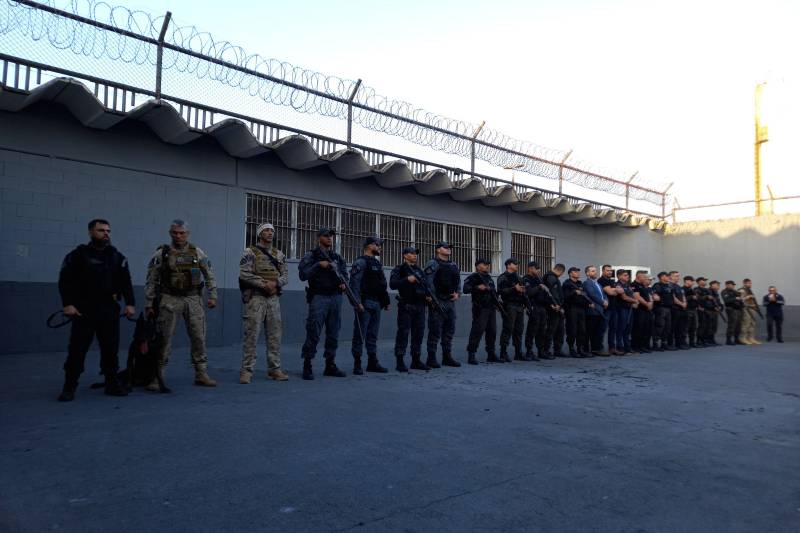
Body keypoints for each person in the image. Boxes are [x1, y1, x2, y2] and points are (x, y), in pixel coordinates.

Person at [57, 219, 135, 401]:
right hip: (84, 309)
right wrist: (68, 304)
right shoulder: (77, 255)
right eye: (101, 230)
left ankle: (111, 384)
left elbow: (126, 282)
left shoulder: (116, 256)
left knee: (110, 349)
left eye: (108, 231)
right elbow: (65, 281)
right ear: (91, 232)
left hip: (109, 309)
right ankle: (69, 387)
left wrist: (130, 303)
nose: (106, 233)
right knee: (77, 349)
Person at [144, 219, 217, 389]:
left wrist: (213, 295)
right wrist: (149, 303)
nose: (178, 236)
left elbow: (209, 274)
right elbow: (152, 279)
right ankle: (157, 376)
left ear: (187, 234)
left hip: (193, 299)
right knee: (164, 338)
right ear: (170, 233)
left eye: (182, 233)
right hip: (169, 298)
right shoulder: (162, 254)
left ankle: (201, 373)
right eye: (175, 233)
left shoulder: (197, 252)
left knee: (199, 337)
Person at [238, 222, 289, 384]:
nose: (270, 233)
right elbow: (244, 274)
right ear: (260, 234)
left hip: (273, 299)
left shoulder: (279, 254)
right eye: (266, 230)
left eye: (272, 230)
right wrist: (263, 284)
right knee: (251, 334)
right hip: (256, 298)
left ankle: (274, 369)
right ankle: (247, 370)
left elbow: (285, 276)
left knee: (275, 335)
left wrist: (276, 283)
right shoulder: (249, 252)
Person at [298, 228, 349, 380]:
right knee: (313, 330)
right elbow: (303, 275)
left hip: (335, 297)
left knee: (333, 332)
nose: (329, 238)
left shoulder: (337, 257)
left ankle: (330, 364)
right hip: (319, 297)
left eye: (331, 236)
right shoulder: (311, 255)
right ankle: (307, 364)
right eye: (326, 236)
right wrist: (318, 265)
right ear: (318, 237)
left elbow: (345, 275)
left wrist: (344, 284)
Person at [349, 237, 390, 375]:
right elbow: (354, 283)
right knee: (360, 334)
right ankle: (357, 363)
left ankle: (372, 362)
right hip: (365, 303)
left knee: (373, 335)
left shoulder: (377, 263)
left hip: (377, 303)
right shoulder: (361, 262)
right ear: (369, 246)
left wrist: (386, 301)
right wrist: (357, 302)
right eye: (377, 245)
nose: (380, 247)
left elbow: (382, 284)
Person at [390, 247, 429, 372]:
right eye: (412, 253)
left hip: (420, 306)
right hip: (406, 305)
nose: (415, 255)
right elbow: (392, 284)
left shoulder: (419, 270)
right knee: (403, 333)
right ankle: (400, 361)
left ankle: (416, 360)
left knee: (418, 334)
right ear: (405, 255)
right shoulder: (399, 269)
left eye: (416, 253)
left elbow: (426, 285)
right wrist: (407, 279)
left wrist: (428, 296)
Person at [424, 241, 462, 368]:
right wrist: (433, 299)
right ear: (438, 250)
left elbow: (458, 280)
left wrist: (458, 294)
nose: (448, 249)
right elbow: (428, 282)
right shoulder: (433, 263)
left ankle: (447, 357)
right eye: (445, 247)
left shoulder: (453, 264)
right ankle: (431, 358)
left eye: (449, 247)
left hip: (450, 302)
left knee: (449, 330)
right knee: (435, 331)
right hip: (438, 301)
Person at [463, 258, 499, 365]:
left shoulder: (489, 278)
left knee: (492, 332)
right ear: (478, 266)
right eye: (484, 264)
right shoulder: (473, 277)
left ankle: (491, 354)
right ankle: (471, 354)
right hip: (480, 308)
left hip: (491, 308)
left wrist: (497, 303)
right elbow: (466, 289)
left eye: (488, 264)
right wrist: (477, 287)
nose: (487, 266)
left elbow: (493, 292)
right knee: (477, 331)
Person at [497, 258, 527, 362]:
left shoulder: (518, 277)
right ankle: (503, 353)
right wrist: (514, 288)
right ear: (508, 265)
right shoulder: (503, 277)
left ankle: (518, 353)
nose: (517, 265)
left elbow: (523, 291)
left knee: (519, 330)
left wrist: (526, 303)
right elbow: (501, 291)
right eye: (515, 264)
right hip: (509, 305)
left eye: (517, 263)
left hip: (519, 306)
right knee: (508, 329)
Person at [522, 261, 549, 360]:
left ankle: (541, 351)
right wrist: (539, 287)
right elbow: (528, 292)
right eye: (536, 268)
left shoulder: (539, 279)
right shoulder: (526, 279)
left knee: (542, 330)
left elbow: (545, 293)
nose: (538, 270)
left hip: (542, 307)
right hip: (533, 307)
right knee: (532, 330)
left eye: (539, 268)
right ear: (530, 268)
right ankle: (529, 351)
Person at [562, 267, 590, 357]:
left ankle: (580, 349)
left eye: (578, 271)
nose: (578, 273)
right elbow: (565, 297)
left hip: (581, 309)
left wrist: (588, 303)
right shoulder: (567, 284)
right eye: (575, 271)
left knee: (582, 330)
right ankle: (571, 349)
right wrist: (574, 292)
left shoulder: (580, 283)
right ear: (570, 273)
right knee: (572, 329)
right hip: (571, 309)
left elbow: (584, 296)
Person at [583, 265, 609, 356]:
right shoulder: (587, 283)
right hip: (592, 311)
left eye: (595, 270)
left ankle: (596, 349)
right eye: (593, 271)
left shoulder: (598, 284)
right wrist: (602, 302)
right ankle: (586, 350)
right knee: (589, 331)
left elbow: (604, 294)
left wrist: (606, 301)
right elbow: (592, 294)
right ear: (587, 273)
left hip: (600, 310)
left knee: (598, 331)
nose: (595, 272)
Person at [612, 269, 637, 355]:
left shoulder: (627, 285)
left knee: (628, 329)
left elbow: (632, 295)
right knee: (621, 328)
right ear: (619, 276)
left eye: (627, 275)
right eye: (625, 275)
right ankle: (620, 347)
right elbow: (624, 297)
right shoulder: (617, 285)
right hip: (622, 309)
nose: (628, 276)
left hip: (629, 308)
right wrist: (635, 301)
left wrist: (634, 301)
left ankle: (627, 347)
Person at [543, 264, 566, 357]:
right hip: (554, 308)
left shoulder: (552, 277)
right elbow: (552, 293)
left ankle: (557, 350)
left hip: (557, 307)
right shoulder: (551, 278)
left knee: (560, 330)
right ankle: (546, 350)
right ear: (561, 271)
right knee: (551, 329)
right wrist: (556, 305)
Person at [651, 271, 675, 351]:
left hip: (669, 308)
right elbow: (654, 295)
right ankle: (655, 344)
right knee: (659, 326)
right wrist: (656, 297)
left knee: (667, 327)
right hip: (661, 308)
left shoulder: (669, 286)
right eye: (667, 276)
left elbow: (672, 296)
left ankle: (664, 343)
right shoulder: (657, 285)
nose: (668, 277)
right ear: (662, 277)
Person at [631, 272, 654, 353]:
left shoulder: (643, 286)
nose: (645, 278)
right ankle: (636, 346)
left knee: (646, 328)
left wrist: (650, 303)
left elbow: (649, 296)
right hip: (639, 309)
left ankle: (644, 345)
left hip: (647, 310)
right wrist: (647, 304)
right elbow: (637, 296)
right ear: (638, 276)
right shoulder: (634, 284)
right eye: (643, 277)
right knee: (638, 328)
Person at [598, 265, 617, 353]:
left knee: (613, 329)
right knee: (602, 329)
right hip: (606, 309)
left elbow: (619, 291)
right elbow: (611, 293)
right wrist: (616, 290)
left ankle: (612, 348)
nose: (610, 272)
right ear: (603, 271)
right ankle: (600, 348)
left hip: (613, 308)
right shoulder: (601, 280)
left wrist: (614, 290)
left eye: (611, 270)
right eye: (607, 270)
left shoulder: (611, 281)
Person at [738, 278, 761, 345]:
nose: (750, 284)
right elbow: (739, 300)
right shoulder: (741, 290)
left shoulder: (749, 290)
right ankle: (743, 338)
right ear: (744, 283)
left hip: (752, 308)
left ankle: (751, 338)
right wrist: (747, 297)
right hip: (746, 308)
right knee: (746, 323)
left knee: (752, 323)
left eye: (750, 283)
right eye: (748, 283)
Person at [669, 271, 688, 350]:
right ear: (671, 277)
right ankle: (670, 344)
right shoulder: (670, 286)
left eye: (678, 276)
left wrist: (685, 302)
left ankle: (679, 343)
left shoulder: (679, 286)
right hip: (674, 309)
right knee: (672, 327)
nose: (678, 277)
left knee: (680, 327)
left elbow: (683, 296)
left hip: (681, 309)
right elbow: (673, 298)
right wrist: (681, 304)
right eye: (676, 276)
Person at [721, 280, 743, 345]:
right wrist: (735, 298)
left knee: (738, 325)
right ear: (727, 285)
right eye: (732, 285)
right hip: (731, 309)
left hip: (738, 309)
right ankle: (728, 340)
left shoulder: (735, 291)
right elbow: (726, 300)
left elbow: (740, 299)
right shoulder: (724, 292)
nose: (733, 286)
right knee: (732, 325)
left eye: (733, 285)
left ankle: (736, 339)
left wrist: (741, 303)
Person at [694, 277, 713, 347]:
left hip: (708, 309)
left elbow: (712, 299)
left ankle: (704, 340)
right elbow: (697, 298)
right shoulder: (696, 289)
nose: (705, 282)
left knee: (708, 325)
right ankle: (699, 340)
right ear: (699, 282)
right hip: (701, 309)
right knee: (702, 325)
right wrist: (706, 297)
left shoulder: (707, 290)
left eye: (705, 280)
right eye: (703, 280)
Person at [682, 276, 700, 348]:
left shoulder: (692, 289)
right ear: (686, 281)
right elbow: (681, 298)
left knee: (694, 327)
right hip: (687, 310)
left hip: (694, 309)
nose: (693, 282)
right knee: (686, 327)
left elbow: (695, 298)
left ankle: (692, 342)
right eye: (691, 281)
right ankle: (683, 342)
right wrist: (691, 297)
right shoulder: (682, 289)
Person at [707, 280, 723, 346]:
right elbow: (707, 303)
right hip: (709, 311)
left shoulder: (716, 293)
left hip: (715, 312)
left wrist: (720, 307)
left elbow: (718, 302)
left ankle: (712, 340)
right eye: (717, 284)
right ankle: (708, 340)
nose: (718, 286)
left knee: (714, 326)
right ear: (712, 285)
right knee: (709, 326)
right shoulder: (707, 291)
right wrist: (714, 307)